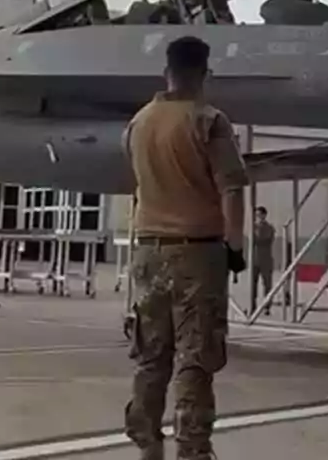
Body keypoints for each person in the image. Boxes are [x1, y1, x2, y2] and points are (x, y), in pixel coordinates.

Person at [122, 36, 248, 460]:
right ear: (204, 73)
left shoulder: (139, 122)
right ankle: (192, 450)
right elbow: (231, 187)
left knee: (151, 354)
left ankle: (147, 444)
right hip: (198, 253)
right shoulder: (208, 120)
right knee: (196, 357)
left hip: (147, 252)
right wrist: (235, 244)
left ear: (167, 71)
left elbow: (140, 187)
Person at [251, 206, 275, 315]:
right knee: (252, 283)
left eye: (260, 215)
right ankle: (252, 305)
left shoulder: (269, 228)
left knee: (267, 284)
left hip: (265, 259)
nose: (258, 217)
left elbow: (262, 239)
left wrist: (257, 228)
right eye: (256, 215)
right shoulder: (253, 227)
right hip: (254, 259)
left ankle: (267, 306)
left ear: (264, 215)